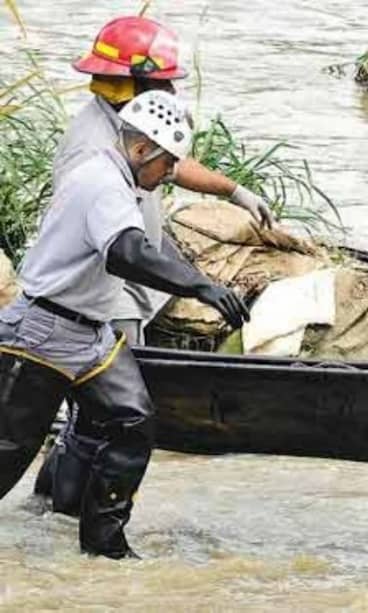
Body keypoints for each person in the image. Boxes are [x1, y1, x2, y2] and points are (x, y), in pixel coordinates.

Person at [32, 15, 274, 515]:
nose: (167, 88)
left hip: (111, 289)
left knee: (93, 417)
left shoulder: (124, 125)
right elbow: (122, 251)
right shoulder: (92, 150)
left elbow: (173, 161)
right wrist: (198, 286)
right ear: (130, 82)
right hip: (98, 294)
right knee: (105, 417)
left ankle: (49, 505)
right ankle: (71, 516)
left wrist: (233, 190)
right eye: (160, 80)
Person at [0, 90, 250, 559]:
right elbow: (127, 253)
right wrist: (200, 287)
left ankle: (105, 548)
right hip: (41, 333)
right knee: (9, 451)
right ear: (141, 150)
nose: (169, 174)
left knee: (131, 421)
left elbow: (141, 247)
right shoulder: (102, 183)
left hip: (90, 335)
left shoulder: (119, 176)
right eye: (166, 165)